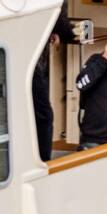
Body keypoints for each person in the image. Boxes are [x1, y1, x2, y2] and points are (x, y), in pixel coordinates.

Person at [32, 11, 75, 162]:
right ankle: (43, 161)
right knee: (44, 117)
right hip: (32, 69)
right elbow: (67, 31)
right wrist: (54, 30)